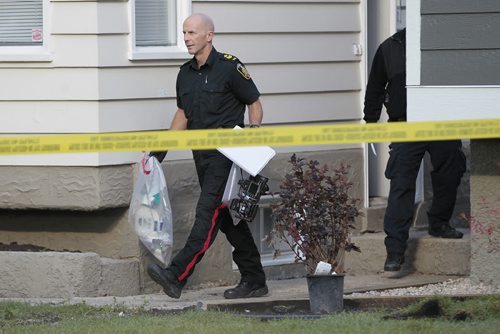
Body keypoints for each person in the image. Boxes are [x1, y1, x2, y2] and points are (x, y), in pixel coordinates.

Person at [147, 13, 268, 299]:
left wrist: (253, 134)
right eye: (184, 32)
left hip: (226, 157)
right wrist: (161, 149)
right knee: (227, 218)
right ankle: (254, 280)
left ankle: (176, 275)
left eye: (192, 33)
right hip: (201, 156)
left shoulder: (229, 67)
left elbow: (254, 103)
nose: (186, 38)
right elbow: (183, 114)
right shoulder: (185, 74)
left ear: (209, 35)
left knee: (207, 213)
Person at [363, 28, 466, 272]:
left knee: (450, 173)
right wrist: (370, 122)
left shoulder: (443, 42)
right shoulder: (390, 47)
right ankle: (395, 251)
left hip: (443, 123)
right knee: (401, 185)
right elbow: (375, 87)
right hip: (405, 125)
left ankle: (439, 223)